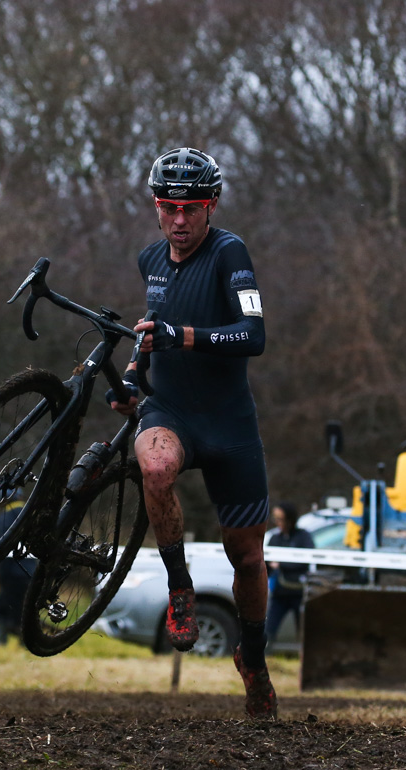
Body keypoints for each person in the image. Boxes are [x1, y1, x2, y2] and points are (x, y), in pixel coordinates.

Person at [108, 147, 275, 718]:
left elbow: (252, 335)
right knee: (153, 467)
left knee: (247, 559)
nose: (180, 221)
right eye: (169, 208)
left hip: (228, 423)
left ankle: (252, 659)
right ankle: (180, 588)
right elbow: (150, 332)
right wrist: (132, 377)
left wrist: (185, 337)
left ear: (211, 206)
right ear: (157, 207)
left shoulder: (231, 254)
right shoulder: (149, 259)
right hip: (171, 411)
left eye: (192, 209)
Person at [265, 503, 315, 644]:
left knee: (304, 630)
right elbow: (267, 564)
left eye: (280, 519)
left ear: (290, 519)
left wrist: (282, 564)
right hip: (280, 593)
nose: (278, 523)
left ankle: (305, 658)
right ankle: (262, 657)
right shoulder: (275, 538)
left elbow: (306, 560)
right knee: (269, 628)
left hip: (299, 592)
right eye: (276, 519)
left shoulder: (303, 537)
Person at [0, 489, 33, 646]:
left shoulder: (5, 517)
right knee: (25, 608)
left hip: (11, 572)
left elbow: (2, 548)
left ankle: (3, 641)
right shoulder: (30, 513)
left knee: (2, 607)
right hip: (30, 571)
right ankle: (23, 641)